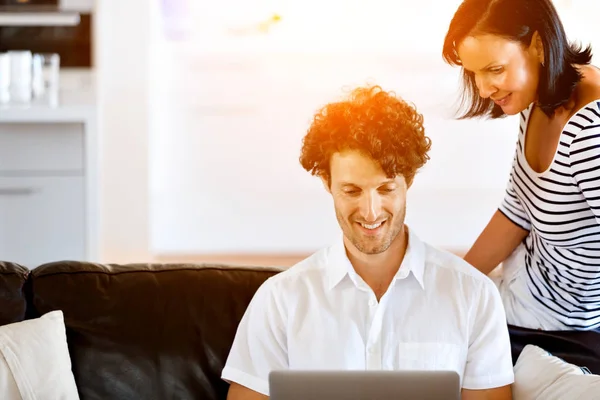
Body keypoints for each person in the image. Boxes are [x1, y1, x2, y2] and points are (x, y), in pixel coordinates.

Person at [221, 85, 514, 400]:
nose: (371, 212)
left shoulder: (473, 295)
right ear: (327, 183)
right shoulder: (280, 300)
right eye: (351, 191)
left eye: (386, 189)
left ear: (409, 181)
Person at [442, 0, 600, 332]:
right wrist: (453, 289)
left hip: (562, 331)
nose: (484, 90)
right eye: (474, 73)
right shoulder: (539, 94)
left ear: (538, 46)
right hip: (519, 291)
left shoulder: (589, 134)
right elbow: (517, 209)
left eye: (494, 69)